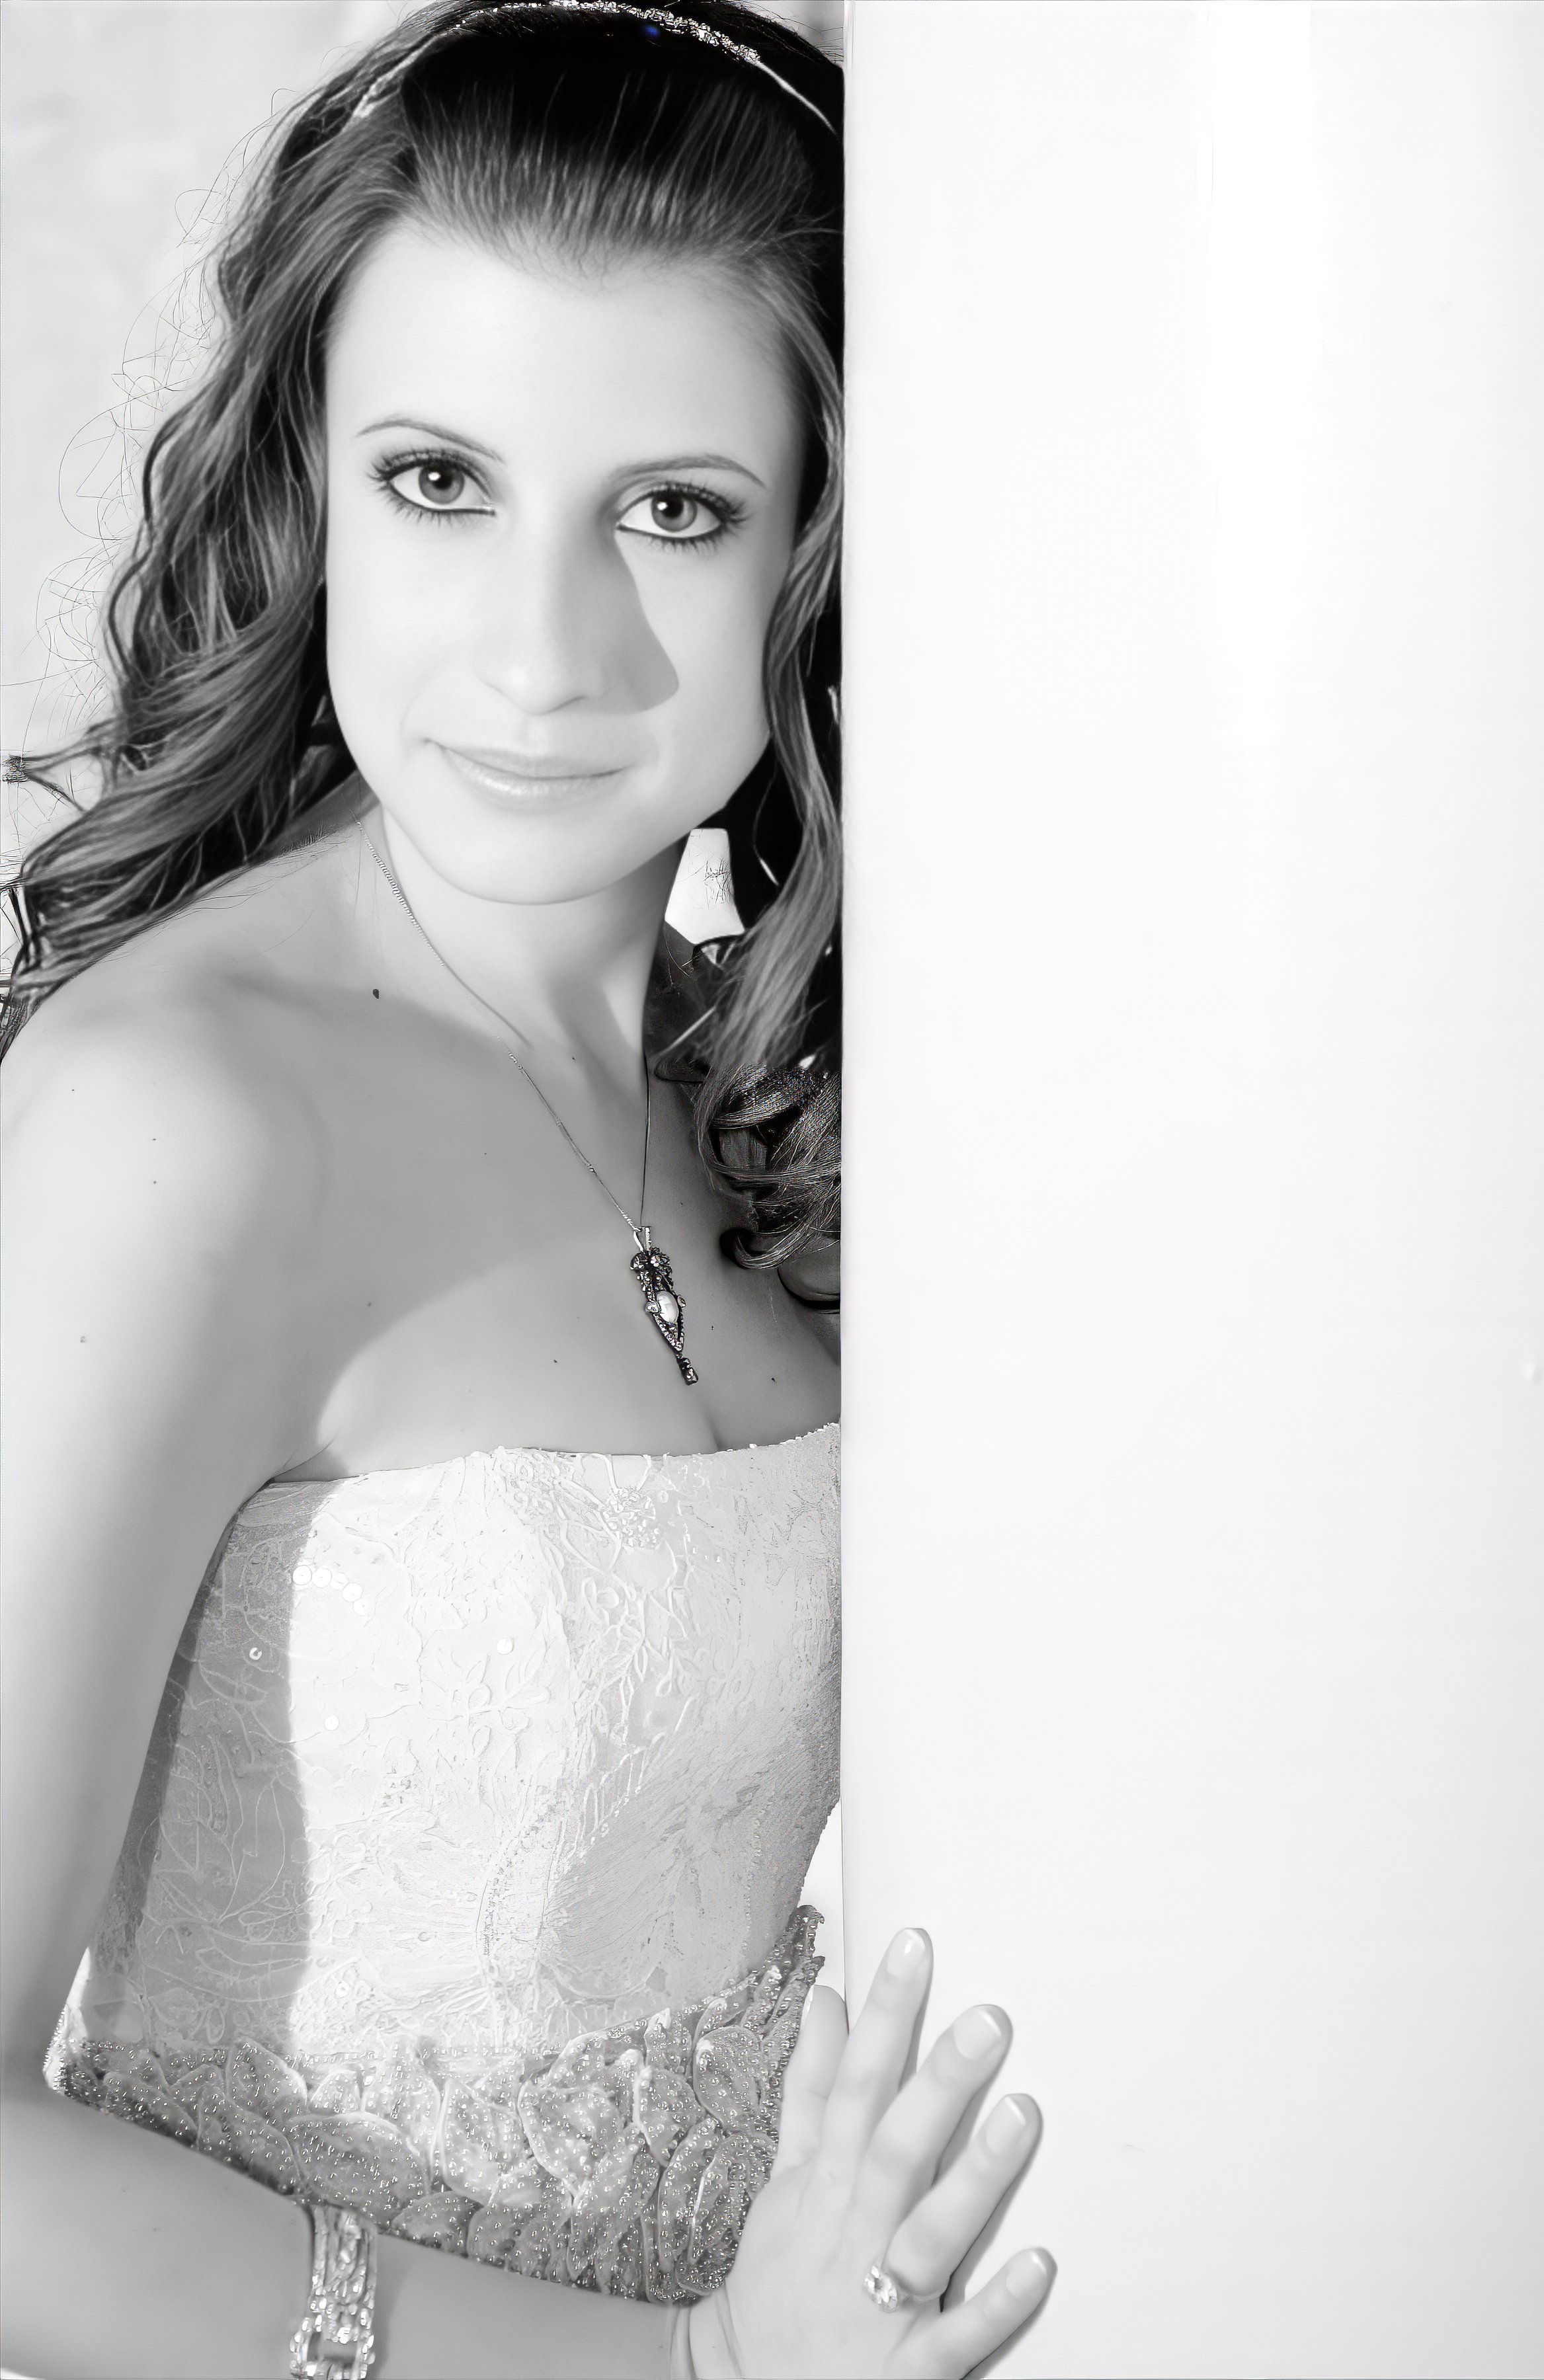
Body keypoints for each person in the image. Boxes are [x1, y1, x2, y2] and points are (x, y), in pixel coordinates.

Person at [0, 5, 1054, 2373]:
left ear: (818, 546)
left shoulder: (783, 1101)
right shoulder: (184, 1125)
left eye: (671, 509)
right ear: (310, 481)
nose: (540, 654)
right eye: (439, 481)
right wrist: (680, 2377)